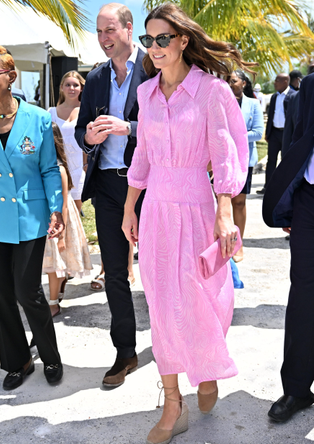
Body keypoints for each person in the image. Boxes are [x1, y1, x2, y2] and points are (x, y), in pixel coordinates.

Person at [121, 4, 250, 443]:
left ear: (181, 41)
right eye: (147, 39)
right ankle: (173, 403)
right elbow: (141, 155)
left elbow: (225, 151)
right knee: (160, 305)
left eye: (162, 39)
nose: (153, 48)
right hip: (156, 206)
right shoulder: (145, 94)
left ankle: (207, 367)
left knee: (202, 298)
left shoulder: (212, 91)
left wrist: (224, 207)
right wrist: (128, 207)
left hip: (197, 203)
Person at [75, 3, 148, 388]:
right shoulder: (97, 77)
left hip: (149, 186)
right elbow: (81, 129)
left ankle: (175, 346)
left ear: (128, 28)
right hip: (105, 185)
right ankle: (125, 352)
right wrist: (87, 137)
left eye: (109, 31)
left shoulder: (153, 67)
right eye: (99, 32)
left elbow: (166, 124)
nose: (104, 39)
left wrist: (128, 127)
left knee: (158, 269)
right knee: (116, 274)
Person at [0, 46, 64, 390]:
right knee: (0, 290)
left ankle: (50, 356)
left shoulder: (37, 118)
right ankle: (17, 360)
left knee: (26, 290)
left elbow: (49, 167)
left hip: (30, 216)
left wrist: (56, 208)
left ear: (10, 77)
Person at [263, 72, 314, 423]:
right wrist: (291, 198)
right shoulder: (309, 86)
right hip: (310, 197)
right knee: (303, 295)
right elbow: (296, 141)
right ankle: (297, 388)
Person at [42, 122, 93, 317]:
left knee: (54, 264)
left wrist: (61, 235)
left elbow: (63, 203)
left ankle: (53, 303)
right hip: (47, 218)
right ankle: (58, 289)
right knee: (51, 263)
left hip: (60, 220)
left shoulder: (59, 168)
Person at [229, 70, 264, 262]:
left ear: (243, 83)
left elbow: (258, 133)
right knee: (222, 202)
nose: (230, 84)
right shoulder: (220, 102)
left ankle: (238, 243)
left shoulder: (253, 104)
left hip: (244, 160)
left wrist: (232, 137)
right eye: (228, 81)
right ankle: (223, 241)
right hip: (222, 160)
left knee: (239, 202)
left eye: (233, 81)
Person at [49, 71, 87, 213]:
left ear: (81, 88)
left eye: (75, 85)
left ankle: (75, 236)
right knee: (58, 209)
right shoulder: (51, 112)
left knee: (76, 211)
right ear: (61, 87)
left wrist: (86, 164)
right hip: (58, 166)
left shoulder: (86, 111)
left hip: (79, 167)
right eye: (68, 85)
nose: (71, 88)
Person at [257, 73, 296, 195]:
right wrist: (268, 133)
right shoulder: (274, 97)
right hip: (274, 133)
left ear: (285, 82)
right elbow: (271, 116)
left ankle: (285, 187)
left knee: (286, 160)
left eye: (277, 80)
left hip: (287, 134)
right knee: (271, 161)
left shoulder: (293, 96)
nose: (274, 83)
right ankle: (268, 186)